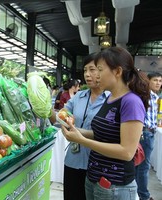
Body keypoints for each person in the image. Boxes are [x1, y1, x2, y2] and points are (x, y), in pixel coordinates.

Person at [62, 46, 150, 200]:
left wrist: (81, 140)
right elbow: (102, 135)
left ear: (117, 71)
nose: (96, 76)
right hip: (95, 180)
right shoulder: (110, 99)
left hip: (115, 186)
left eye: (100, 70)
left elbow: (127, 152)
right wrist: (77, 131)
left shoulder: (131, 102)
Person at [63, 53, 110, 200]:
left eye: (92, 70)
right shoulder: (79, 96)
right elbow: (64, 113)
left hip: (98, 164)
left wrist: (78, 133)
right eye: (85, 70)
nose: (87, 75)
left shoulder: (112, 99)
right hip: (73, 160)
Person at [136, 72, 162, 200]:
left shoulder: (156, 97)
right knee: (143, 167)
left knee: (140, 165)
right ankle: (144, 196)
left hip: (150, 132)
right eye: (155, 80)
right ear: (148, 81)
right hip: (145, 134)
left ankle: (139, 193)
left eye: (160, 81)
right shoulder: (145, 96)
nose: (158, 83)